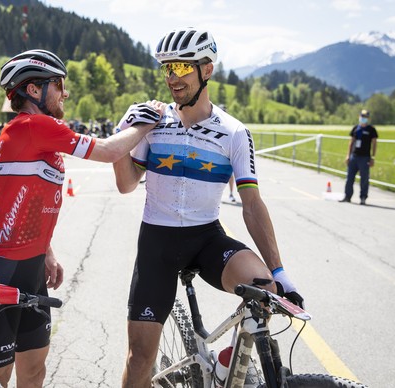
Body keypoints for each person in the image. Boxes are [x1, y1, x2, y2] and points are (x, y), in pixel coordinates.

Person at [112, 28, 304, 388]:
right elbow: (125, 184)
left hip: (206, 237)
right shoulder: (152, 122)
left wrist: (279, 270)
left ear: (207, 70)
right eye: (168, 69)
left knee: (264, 290)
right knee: (140, 359)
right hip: (157, 242)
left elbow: (251, 204)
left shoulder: (234, 132)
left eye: (182, 68)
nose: (172, 78)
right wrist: (124, 133)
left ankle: (225, 364)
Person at [0, 49, 162, 388]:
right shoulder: (32, 125)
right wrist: (145, 124)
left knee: (34, 370)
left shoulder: (34, 132)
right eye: (59, 85)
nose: (65, 93)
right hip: (0, 269)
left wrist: (47, 252)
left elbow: (23, 199)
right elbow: (106, 151)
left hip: (30, 270)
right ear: (34, 90)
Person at [340, 109, 378, 205]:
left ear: (368, 118)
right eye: (362, 116)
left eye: (365, 117)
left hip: (364, 157)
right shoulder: (356, 128)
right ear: (359, 117)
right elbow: (351, 142)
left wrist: (372, 157)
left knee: (364, 179)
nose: (363, 118)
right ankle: (347, 196)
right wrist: (348, 155)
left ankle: (363, 197)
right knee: (349, 178)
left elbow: (374, 144)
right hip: (354, 156)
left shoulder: (371, 130)